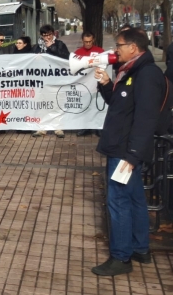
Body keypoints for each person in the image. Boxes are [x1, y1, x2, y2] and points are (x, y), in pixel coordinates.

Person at [91, 28, 164, 276]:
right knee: (134, 200)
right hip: (125, 148)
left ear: (134, 47)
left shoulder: (146, 74)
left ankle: (121, 258)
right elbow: (120, 104)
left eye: (119, 45)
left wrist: (132, 155)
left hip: (125, 151)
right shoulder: (131, 71)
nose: (115, 50)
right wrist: (106, 85)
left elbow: (145, 119)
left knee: (118, 201)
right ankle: (139, 248)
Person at [32, 25, 69, 138]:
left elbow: (65, 58)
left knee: (57, 103)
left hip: (56, 79)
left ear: (53, 33)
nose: (47, 37)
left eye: (49, 34)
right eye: (44, 35)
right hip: (42, 80)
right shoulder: (37, 46)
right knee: (43, 104)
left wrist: (51, 48)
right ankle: (42, 128)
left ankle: (58, 128)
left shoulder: (59, 44)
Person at [73, 32, 105, 136]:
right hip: (84, 85)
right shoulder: (78, 53)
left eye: (90, 41)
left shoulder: (100, 51)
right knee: (84, 106)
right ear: (82, 41)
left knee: (98, 105)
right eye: (86, 42)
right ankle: (85, 127)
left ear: (93, 40)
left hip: (97, 84)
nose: (88, 43)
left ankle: (98, 127)